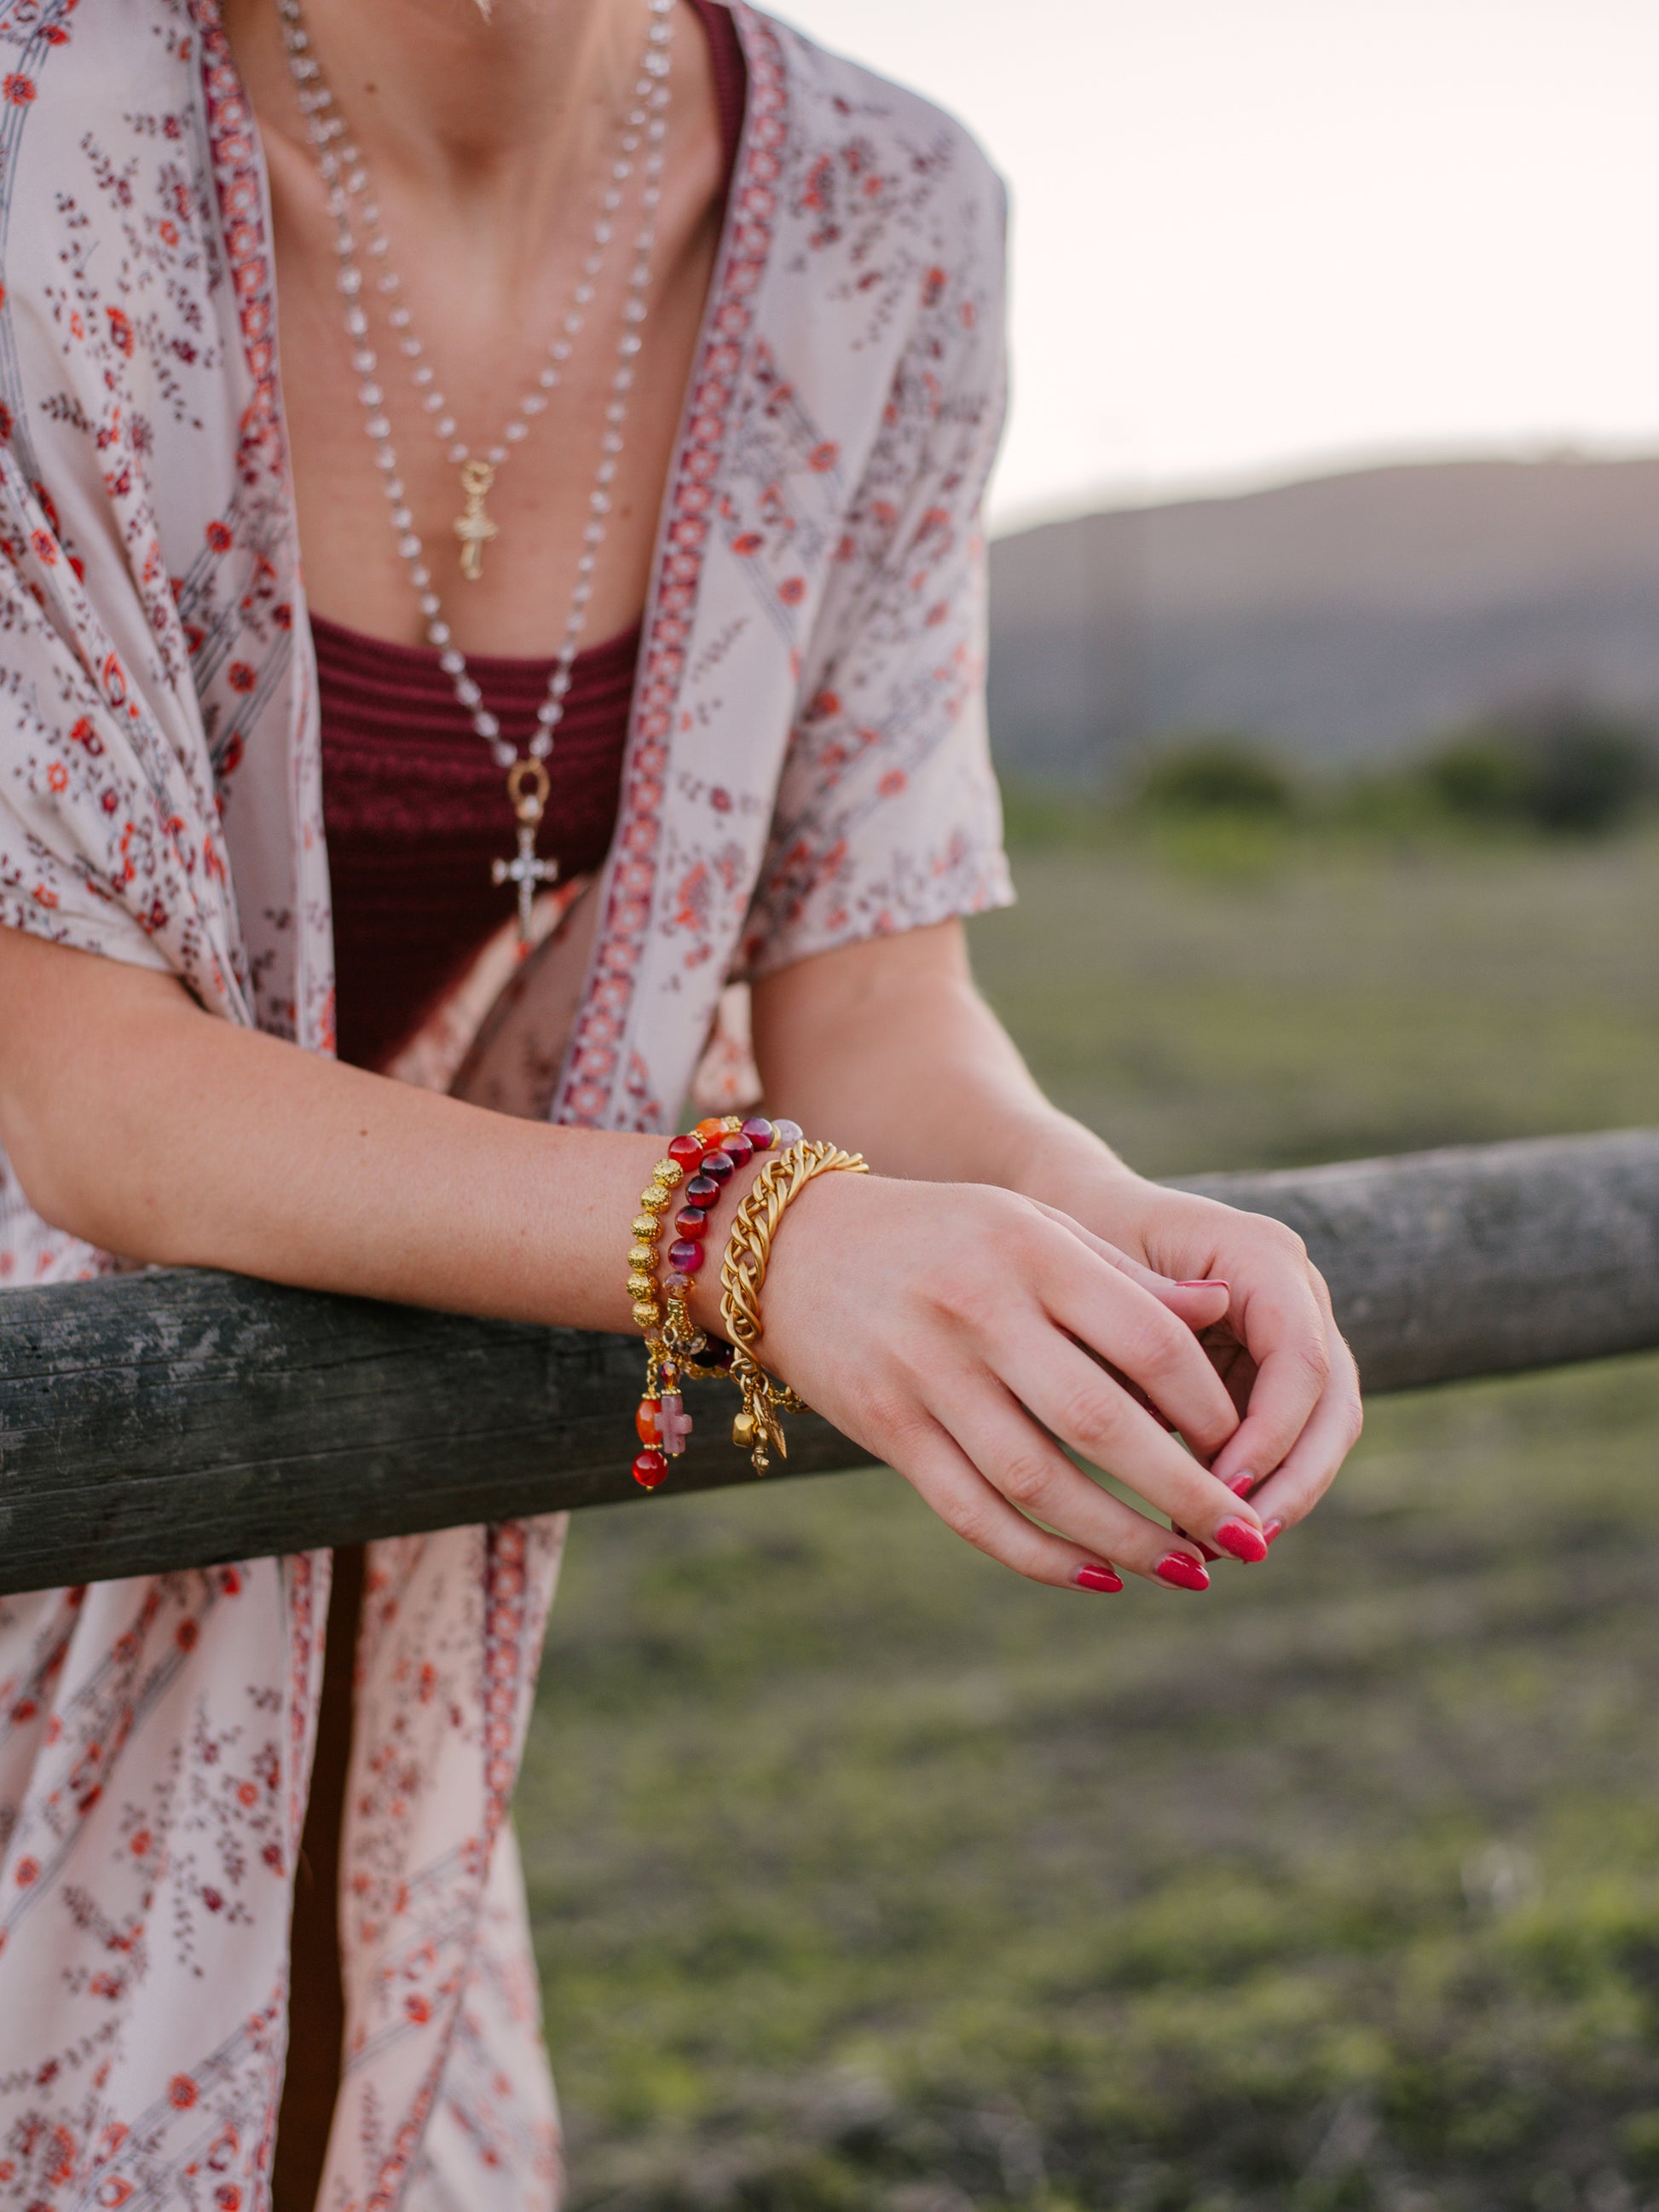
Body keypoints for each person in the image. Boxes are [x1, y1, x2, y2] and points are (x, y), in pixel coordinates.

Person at [0, 0, 1362, 2203]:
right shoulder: (40, 148)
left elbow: (874, 1015)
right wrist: (754, 1234)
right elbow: (86, 1092)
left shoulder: (881, 226)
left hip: (403, 1586)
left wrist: (1101, 1215)